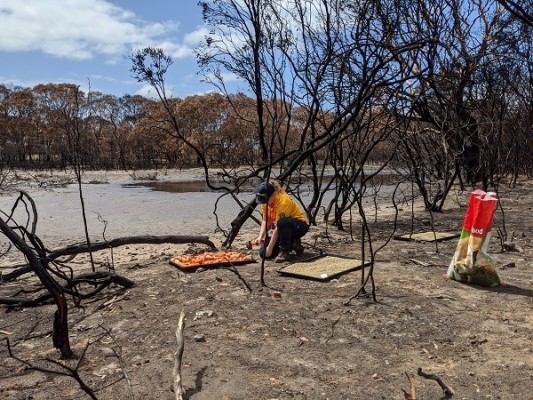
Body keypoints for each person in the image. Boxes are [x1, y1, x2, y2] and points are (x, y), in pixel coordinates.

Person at [250, 180, 309, 262]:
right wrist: (260, 237)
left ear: (273, 195)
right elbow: (265, 220)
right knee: (263, 253)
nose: (264, 203)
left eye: (265, 200)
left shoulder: (283, 201)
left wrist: (270, 247)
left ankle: (284, 251)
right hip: (280, 228)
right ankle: (293, 244)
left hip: (299, 226)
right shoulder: (264, 202)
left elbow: (278, 227)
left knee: (283, 222)